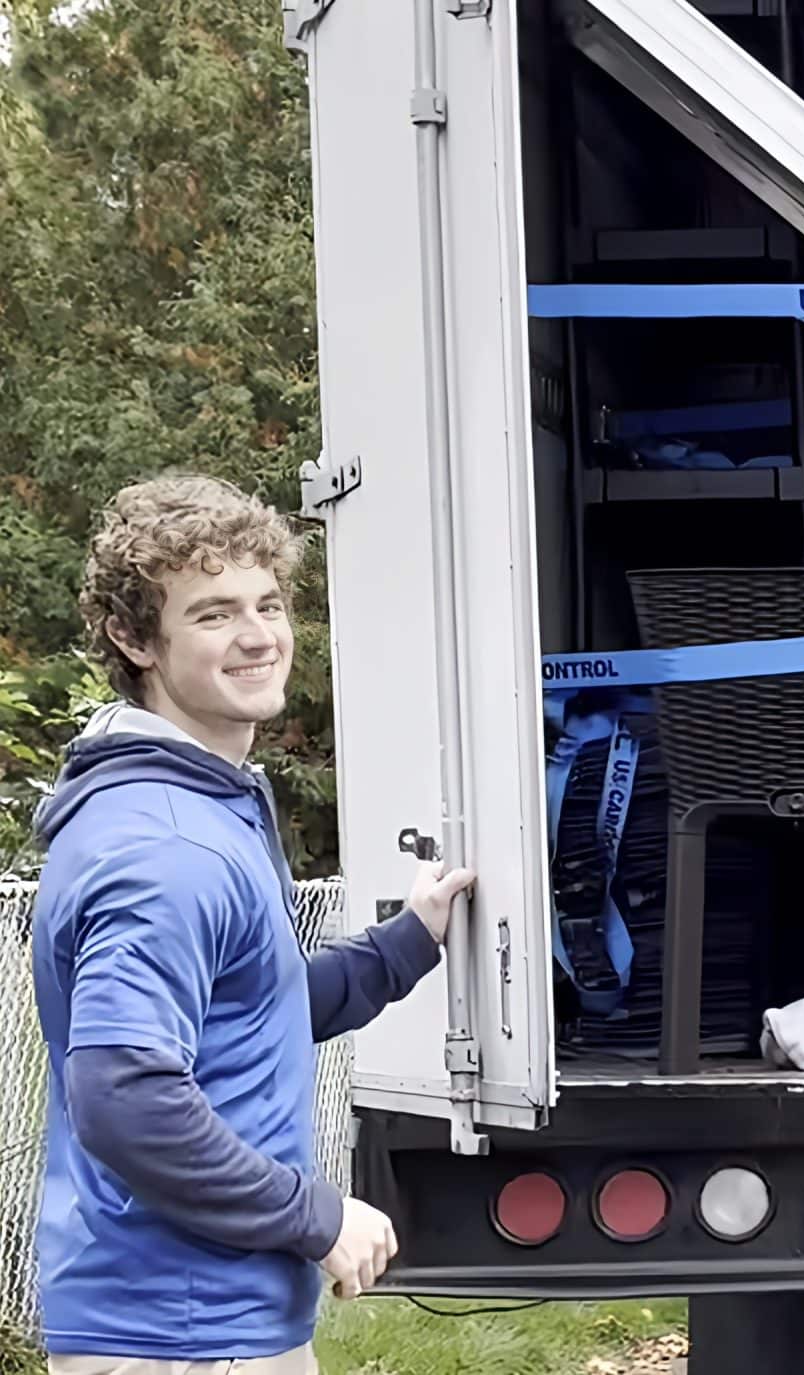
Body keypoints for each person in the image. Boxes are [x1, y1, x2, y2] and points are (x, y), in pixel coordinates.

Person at [29, 475, 476, 1374]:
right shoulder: (164, 846)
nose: (258, 636)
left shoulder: (204, 805)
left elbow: (251, 1007)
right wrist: (315, 1214)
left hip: (201, 1321)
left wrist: (409, 940)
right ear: (133, 638)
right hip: (179, 1332)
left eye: (268, 603)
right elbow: (125, 1095)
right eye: (213, 613)